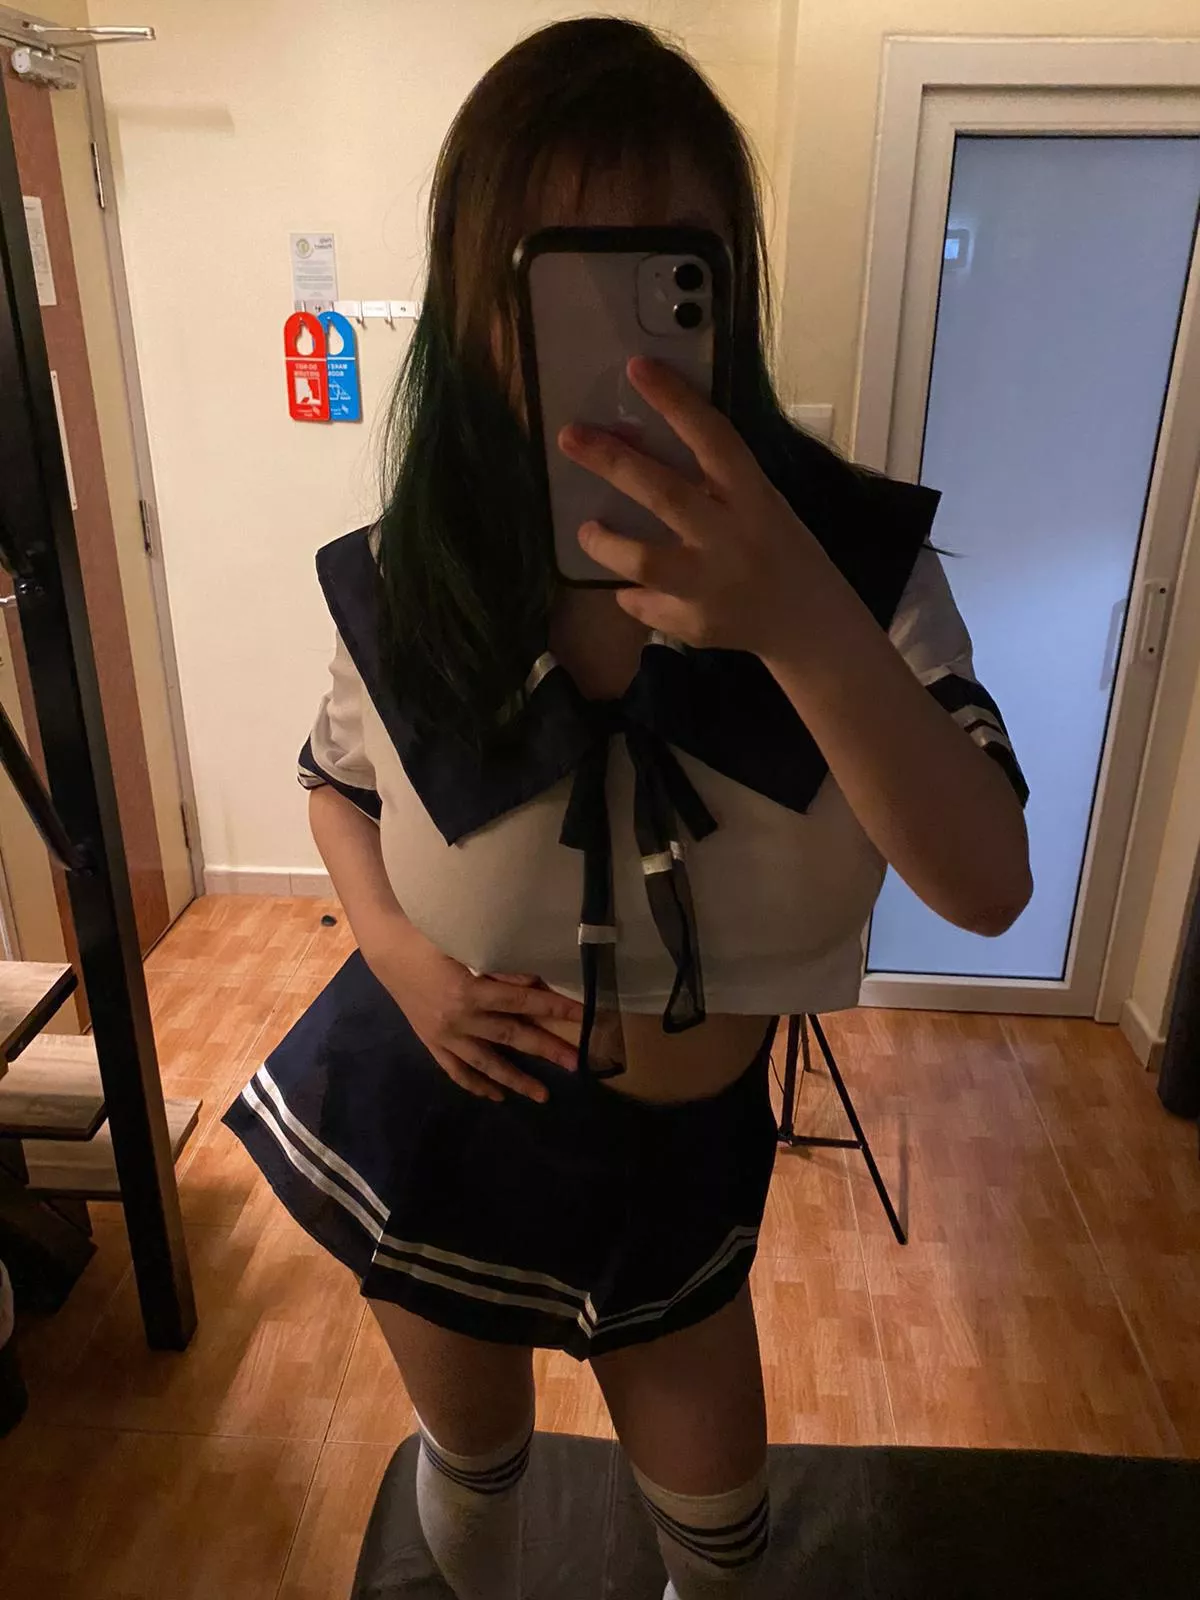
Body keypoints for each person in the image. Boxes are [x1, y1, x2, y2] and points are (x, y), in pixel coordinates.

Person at [225, 18, 1031, 1600]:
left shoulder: (848, 570)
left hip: (679, 1155)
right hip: (443, 1112)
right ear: (475, 295)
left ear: (725, 280)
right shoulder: (419, 570)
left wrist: (797, 618)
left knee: (720, 1542)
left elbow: (987, 881)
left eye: (658, 265)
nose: (603, 328)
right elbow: (335, 788)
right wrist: (398, 959)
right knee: (475, 1472)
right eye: (549, 271)